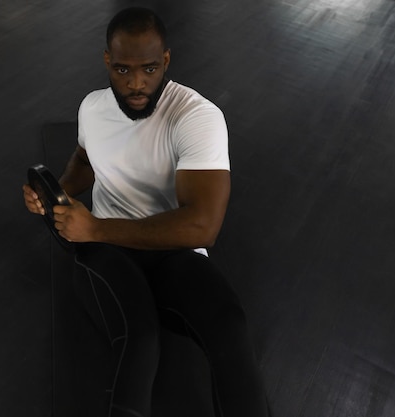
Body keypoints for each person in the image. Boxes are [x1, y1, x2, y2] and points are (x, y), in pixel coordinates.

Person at [23, 7, 269, 417]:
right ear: (107, 61)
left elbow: (202, 227)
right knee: (140, 338)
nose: (136, 83)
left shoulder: (195, 117)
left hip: (168, 247)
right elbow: (85, 161)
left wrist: (96, 227)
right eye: (122, 70)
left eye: (149, 68)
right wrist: (57, 192)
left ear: (167, 61)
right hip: (105, 254)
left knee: (229, 326)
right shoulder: (92, 108)